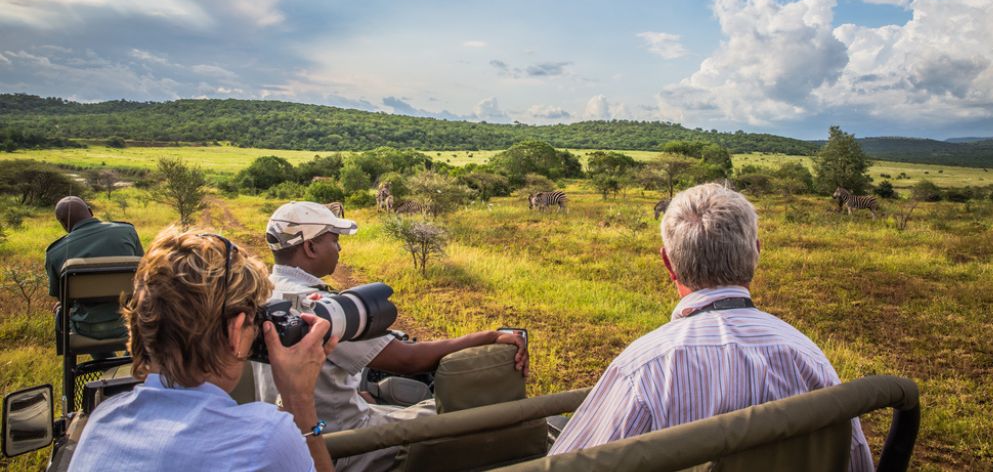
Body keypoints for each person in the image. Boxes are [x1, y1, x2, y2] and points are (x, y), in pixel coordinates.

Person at [548, 183, 873, 471]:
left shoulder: (643, 368)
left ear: (668, 263)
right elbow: (856, 460)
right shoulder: (810, 358)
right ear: (756, 254)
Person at [253, 201, 528, 472]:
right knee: (453, 419)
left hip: (292, 436)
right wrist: (489, 336)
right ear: (310, 247)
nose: (339, 247)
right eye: (334, 240)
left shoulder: (266, 295)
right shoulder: (318, 308)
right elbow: (409, 360)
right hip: (341, 443)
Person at [69, 227, 336, 472]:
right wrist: (298, 400)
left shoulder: (103, 419)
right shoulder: (265, 437)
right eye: (254, 322)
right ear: (236, 330)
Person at [45, 196, 144, 339]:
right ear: (90, 212)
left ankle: (103, 358)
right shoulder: (126, 231)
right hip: (132, 320)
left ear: (63, 224)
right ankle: (131, 355)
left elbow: (61, 296)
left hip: (86, 328)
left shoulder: (55, 252)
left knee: (61, 310)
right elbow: (143, 273)